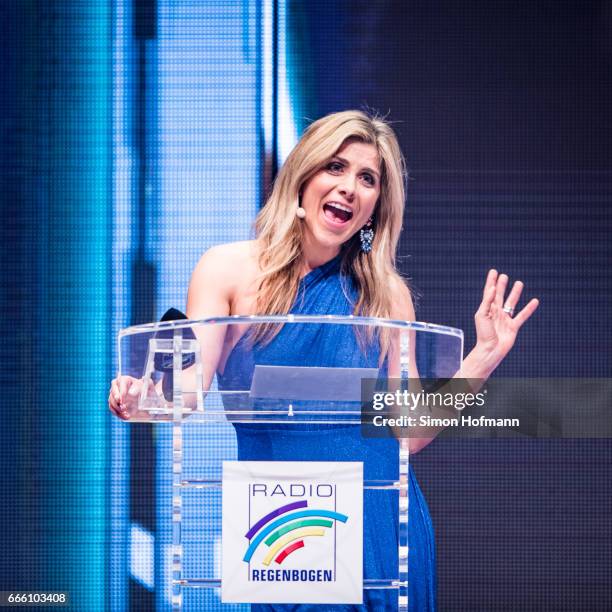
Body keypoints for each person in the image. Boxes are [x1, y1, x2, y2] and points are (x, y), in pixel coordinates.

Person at [109, 110, 538, 611]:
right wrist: (142, 400)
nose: (349, 188)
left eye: (367, 178)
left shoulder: (387, 296)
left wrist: (481, 358)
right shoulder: (226, 269)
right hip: (285, 527)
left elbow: (410, 432)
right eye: (335, 167)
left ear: (377, 205)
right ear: (303, 176)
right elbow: (187, 389)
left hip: (382, 527)